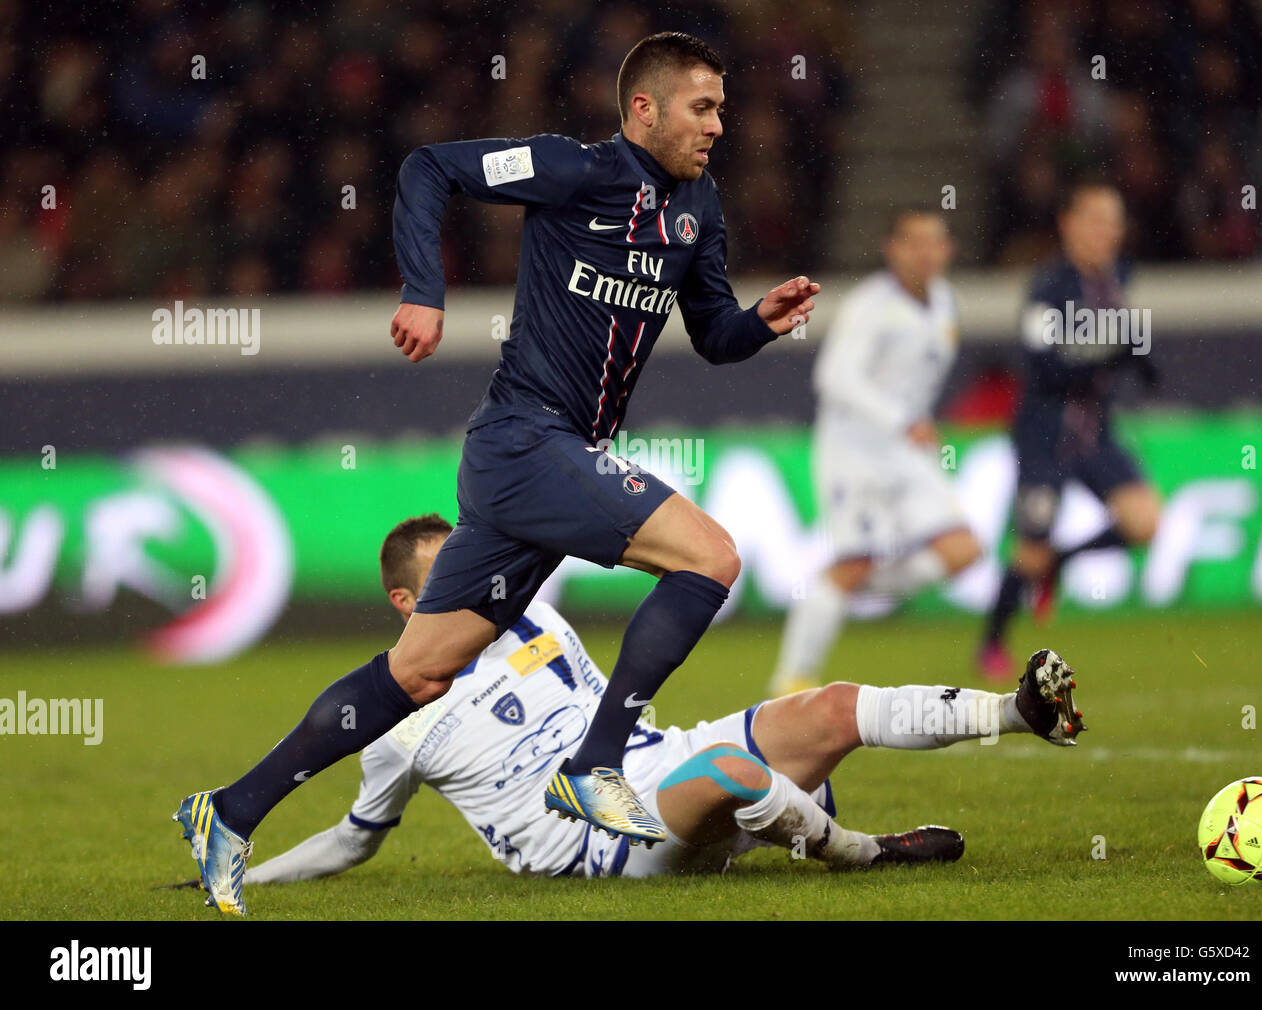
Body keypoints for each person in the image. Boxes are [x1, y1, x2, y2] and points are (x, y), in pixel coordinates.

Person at [174, 31, 821, 916]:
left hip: (542, 464)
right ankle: (595, 765)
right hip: (527, 442)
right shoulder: (571, 169)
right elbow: (427, 168)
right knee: (710, 558)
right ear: (645, 108)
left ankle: (231, 811)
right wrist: (423, 292)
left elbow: (712, 334)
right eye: (702, 107)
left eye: (721, 109)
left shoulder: (697, 207)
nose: (719, 124)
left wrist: (762, 321)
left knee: (421, 672)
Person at [215, 514, 1085, 893]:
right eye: (453, 575)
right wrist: (245, 867)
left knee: (829, 706)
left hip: (650, 769)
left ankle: (1016, 714)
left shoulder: (531, 612)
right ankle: (860, 854)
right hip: (603, 840)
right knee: (731, 769)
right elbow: (354, 844)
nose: (481, 579)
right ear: (408, 606)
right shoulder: (392, 719)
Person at [770, 209, 980, 697]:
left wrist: (915, 425)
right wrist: (903, 420)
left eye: (935, 242)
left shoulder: (947, 302)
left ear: (948, 250)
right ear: (892, 249)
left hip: (905, 452)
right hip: (854, 451)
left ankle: (842, 592)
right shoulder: (870, 305)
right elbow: (835, 377)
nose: (925, 253)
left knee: (963, 551)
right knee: (853, 565)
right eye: (913, 242)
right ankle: (791, 680)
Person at [978, 181, 1161, 679]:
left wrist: (1143, 362)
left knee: (1144, 521)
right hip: (1044, 435)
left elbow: (1125, 338)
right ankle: (991, 642)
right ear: (1069, 224)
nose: (1107, 232)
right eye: (1096, 220)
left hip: (1096, 432)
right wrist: (1112, 353)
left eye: (1114, 222)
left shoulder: (1120, 275)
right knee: (1029, 550)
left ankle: (1062, 562)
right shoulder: (1049, 287)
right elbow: (1041, 367)